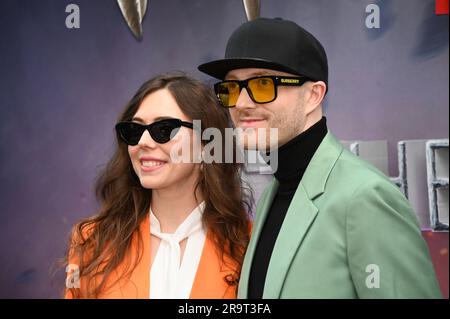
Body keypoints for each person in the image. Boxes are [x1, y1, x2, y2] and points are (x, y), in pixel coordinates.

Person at [198, 17, 442, 298]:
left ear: (314, 95)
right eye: (231, 88)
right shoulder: (273, 194)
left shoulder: (364, 196)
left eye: (263, 84)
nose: (241, 103)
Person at [64, 74, 251, 298]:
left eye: (164, 129)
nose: (143, 142)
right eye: (134, 130)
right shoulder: (90, 240)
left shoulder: (249, 244)